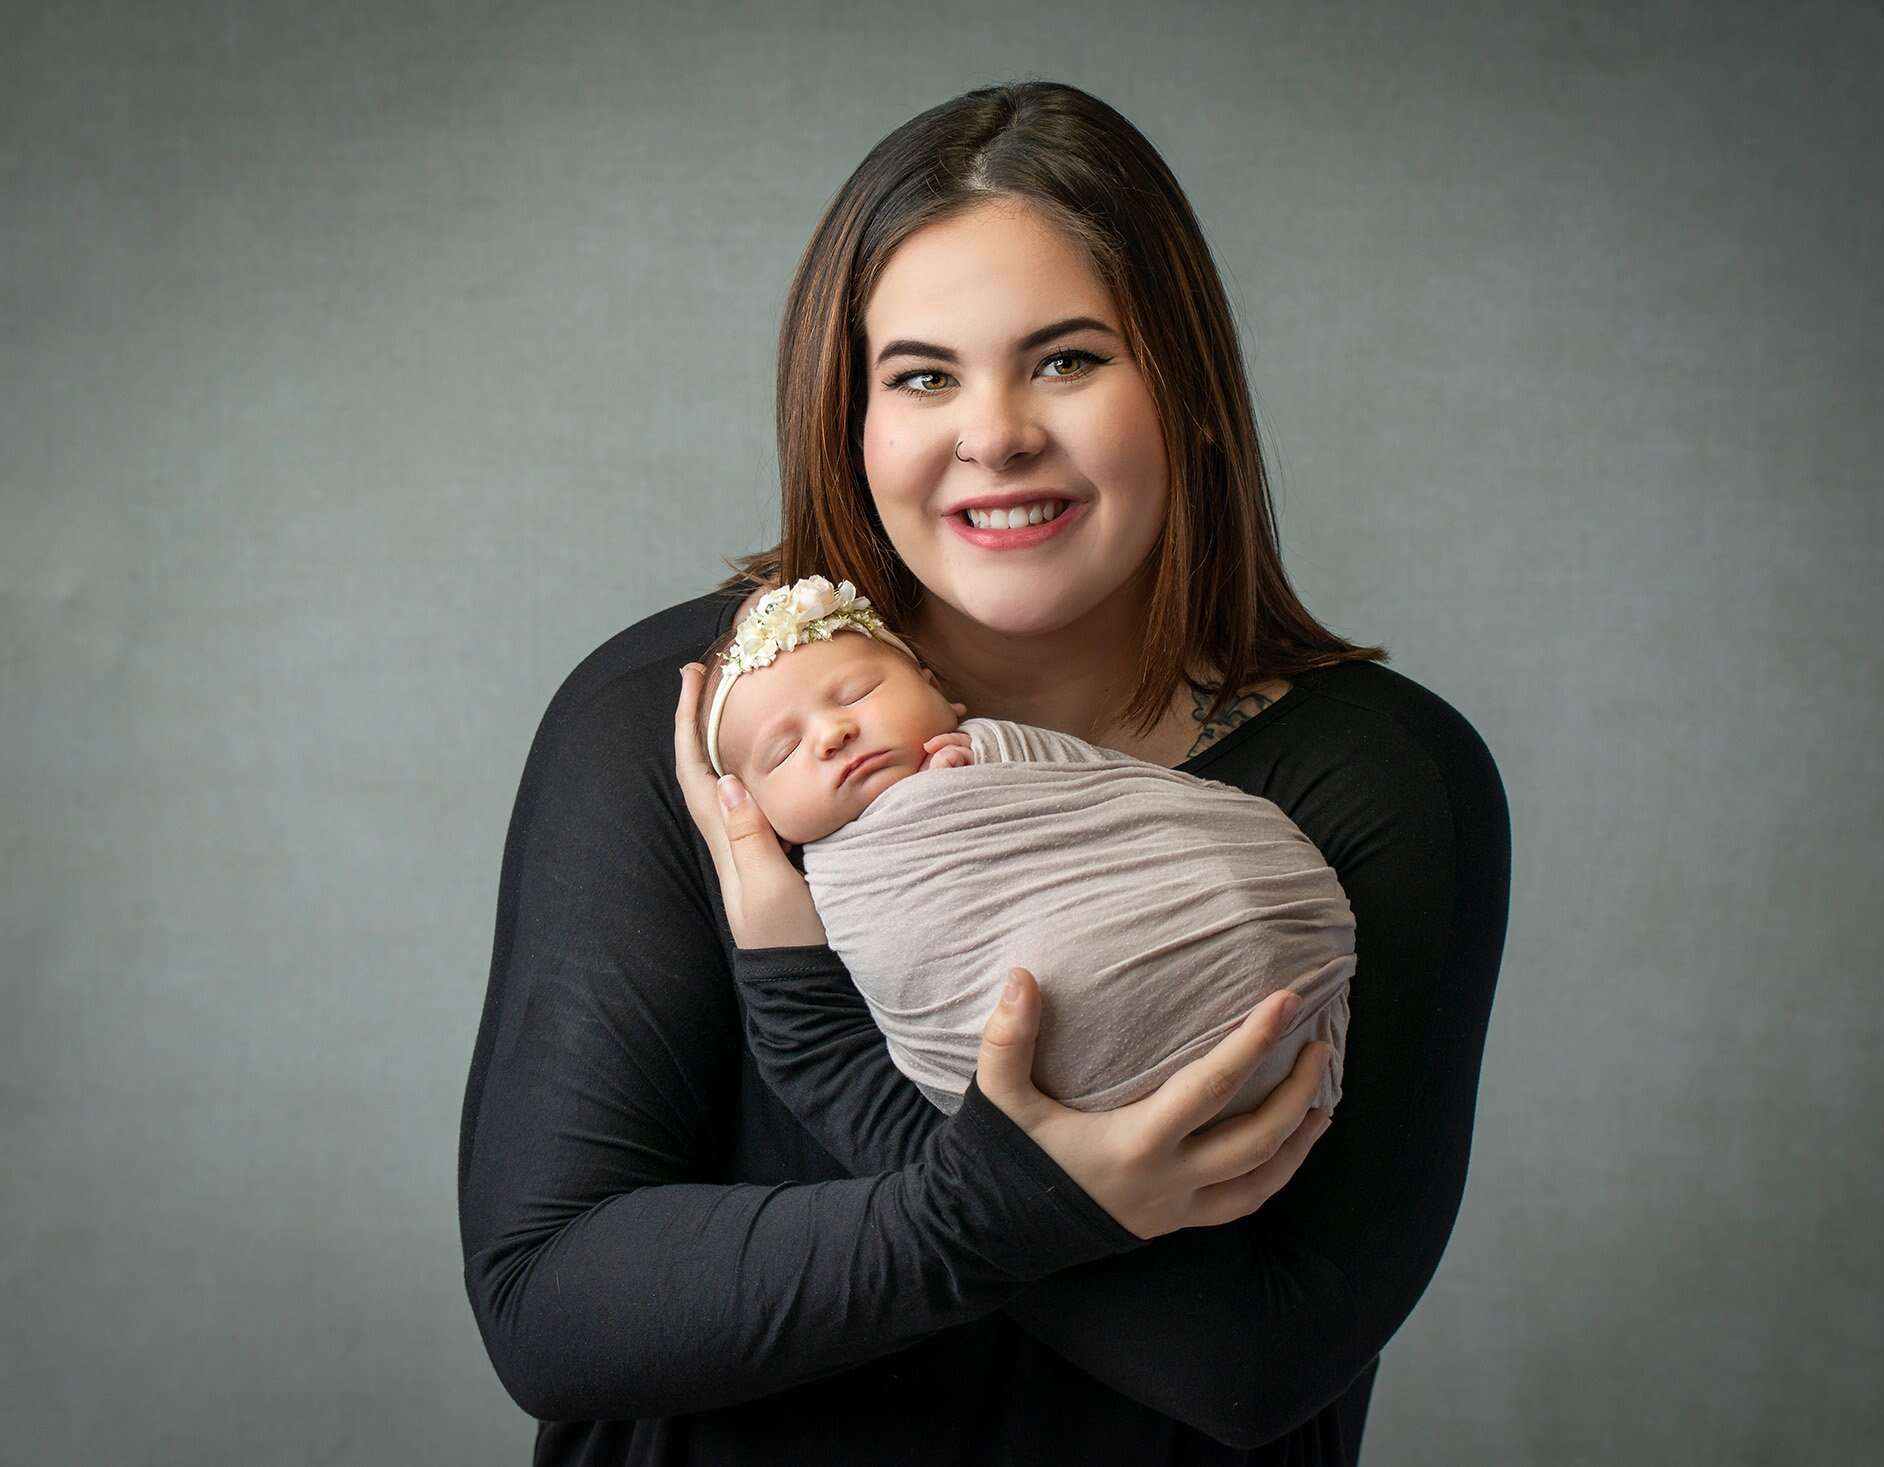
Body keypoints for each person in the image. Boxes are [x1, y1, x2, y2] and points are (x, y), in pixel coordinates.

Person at [458, 80, 1511, 1465]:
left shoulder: (1383, 776)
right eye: (923, 373)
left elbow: (1254, 1356)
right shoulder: (696, 729)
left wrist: (836, 1053)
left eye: (1068, 359)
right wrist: (995, 1205)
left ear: (1190, 389)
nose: (996, 430)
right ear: (851, 415)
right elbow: (556, 1307)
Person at [694, 573, 1354, 1125]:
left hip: (1241, 937)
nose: (834, 732)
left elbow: (1101, 783)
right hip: (1072, 1070)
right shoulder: (821, 884)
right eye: (783, 751)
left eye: (858, 693)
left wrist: (992, 751)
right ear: (759, 814)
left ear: (935, 688)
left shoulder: (996, 747)